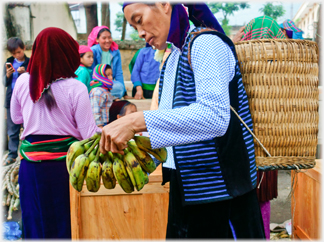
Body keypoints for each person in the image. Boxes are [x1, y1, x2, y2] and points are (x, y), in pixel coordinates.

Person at [99, 3, 265, 239]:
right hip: (187, 190)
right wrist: (134, 146)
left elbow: (215, 116)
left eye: (139, 19)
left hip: (220, 195)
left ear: (165, 4)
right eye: (134, 26)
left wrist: (136, 122)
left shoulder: (206, 45)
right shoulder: (174, 56)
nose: (140, 33)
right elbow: (173, 125)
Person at [10, 27, 100, 239]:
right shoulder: (75, 87)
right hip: (65, 167)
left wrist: (37, 117)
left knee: (35, 222)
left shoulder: (23, 81)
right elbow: (89, 134)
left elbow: (16, 118)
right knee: (65, 225)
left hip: (30, 168)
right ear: (67, 52)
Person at [231, 15, 288, 240]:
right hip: (261, 146)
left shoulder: (238, 58)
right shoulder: (282, 65)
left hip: (256, 148)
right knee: (254, 205)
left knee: (253, 203)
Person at [3, 37, 30, 166]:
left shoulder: (30, 63)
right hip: (11, 99)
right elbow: (4, 83)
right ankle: (12, 154)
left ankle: (26, 152)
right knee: (12, 130)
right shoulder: (8, 63)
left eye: (18, 52)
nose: (16, 55)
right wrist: (8, 75)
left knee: (27, 127)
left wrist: (26, 73)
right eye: (14, 54)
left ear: (24, 48)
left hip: (25, 100)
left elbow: (35, 79)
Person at [88, 26, 132, 100]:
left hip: (110, 84)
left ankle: (104, 96)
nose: (107, 40)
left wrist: (124, 92)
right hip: (96, 84)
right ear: (97, 39)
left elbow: (118, 73)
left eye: (109, 37)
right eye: (104, 38)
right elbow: (90, 72)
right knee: (97, 89)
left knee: (119, 87)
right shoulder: (93, 51)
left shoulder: (115, 51)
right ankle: (109, 97)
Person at [89, 64, 114, 129]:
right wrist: (99, 126)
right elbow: (95, 110)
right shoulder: (97, 91)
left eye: (111, 75)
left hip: (107, 124)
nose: (111, 77)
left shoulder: (106, 90)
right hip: (101, 125)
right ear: (100, 76)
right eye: (108, 75)